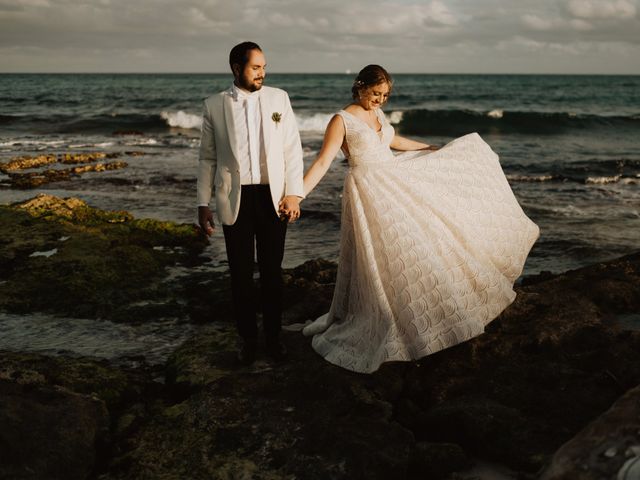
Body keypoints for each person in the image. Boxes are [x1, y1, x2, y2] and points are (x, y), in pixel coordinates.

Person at [301, 65, 539, 373]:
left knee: (422, 238)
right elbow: (322, 161)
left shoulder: (377, 115)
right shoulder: (341, 120)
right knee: (389, 251)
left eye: (385, 96)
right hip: (369, 190)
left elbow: (392, 140)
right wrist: (298, 195)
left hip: (394, 181)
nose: (380, 101)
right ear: (359, 87)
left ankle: (423, 306)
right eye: (375, 94)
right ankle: (391, 315)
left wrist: (427, 147)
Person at [197, 41, 304, 365]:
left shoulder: (278, 98)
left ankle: (273, 338)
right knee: (240, 275)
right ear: (236, 67)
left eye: (264, 67)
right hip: (235, 197)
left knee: (272, 273)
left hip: (273, 198)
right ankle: (247, 340)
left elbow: (292, 150)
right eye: (256, 67)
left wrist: (294, 193)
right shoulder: (214, 105)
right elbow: (207, 157)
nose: (262, 72)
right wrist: (202, 203)